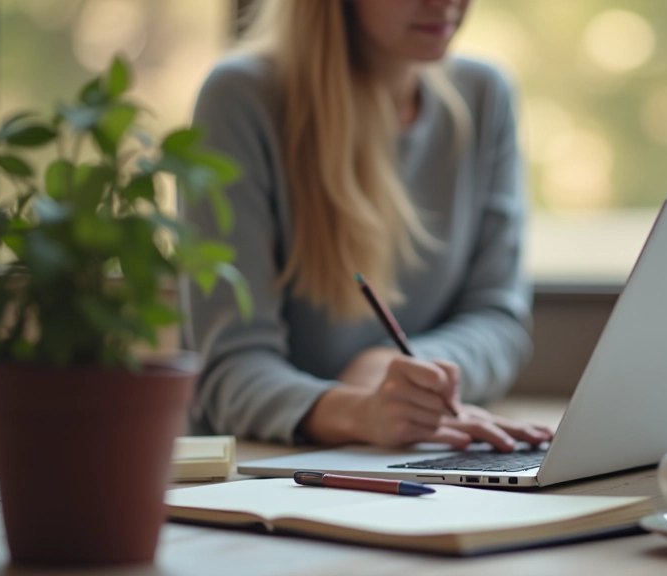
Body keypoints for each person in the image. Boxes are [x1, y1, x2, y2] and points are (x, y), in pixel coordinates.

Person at [181, 0, 552, 452]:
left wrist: (396, 371)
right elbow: (228, 367)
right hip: (267, 465)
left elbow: (497, 320)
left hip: (412, 453)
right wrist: (360, 410)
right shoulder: (240, 99)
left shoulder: (485, 95)